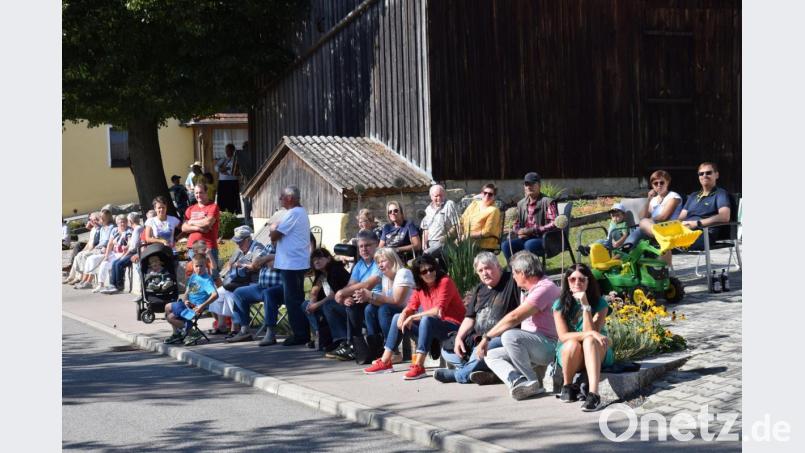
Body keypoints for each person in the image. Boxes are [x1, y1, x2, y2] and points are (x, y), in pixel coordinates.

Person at [363, 254, 465, 380]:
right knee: (396, 317)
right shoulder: (420, 288)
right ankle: (385, 361)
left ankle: (418, 366)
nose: (429, 273)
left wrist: (412, 317)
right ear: (419, 275)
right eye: (424, 271)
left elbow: (437, 311)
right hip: (431, 327)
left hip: (453, 327)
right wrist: (404, 314)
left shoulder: (445, 281)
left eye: (431, 269)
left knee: (427, 319)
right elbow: (410, 306)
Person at [481, 251, 561, 400]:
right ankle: (518, 381)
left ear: (523, 273)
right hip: (534, 346)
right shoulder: (529, 289)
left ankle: (531, 381)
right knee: (491, 355)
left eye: (514, 273)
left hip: (550, 346)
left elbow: (515, 317)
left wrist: (487, 337)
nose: (513, 276)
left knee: (509, 335)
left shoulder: (545, 288)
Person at [434, 251, 519, 384]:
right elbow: (470, 317)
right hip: (476, 338)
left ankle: (459, 375)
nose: (485, 273)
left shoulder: (512, 282)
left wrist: (486, 339)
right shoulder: (480, 289)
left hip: (498, 338)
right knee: (447, 350)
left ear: (498, 266)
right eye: (480, 270)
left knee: (485, 349)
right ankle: (483, 371)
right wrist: (459, 338)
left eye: (488, 268)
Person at [552, 263, 614, 412]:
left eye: (581, 279)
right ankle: (568, 387)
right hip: (572, 354)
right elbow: (563, 336)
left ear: (589, 281)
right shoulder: (559, 305)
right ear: (567, 282)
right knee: (572, 343)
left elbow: (592, 333)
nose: (577, 283)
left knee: (589, 340)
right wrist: (591, 333)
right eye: (572, 279)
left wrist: (585, 305)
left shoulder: (600, 304)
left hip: (597, 351)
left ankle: (594, 395)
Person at [326, 231, 383, 360]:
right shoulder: (359, 265)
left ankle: (358, 345)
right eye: (361, 246)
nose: (364, 249)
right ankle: (346, 343)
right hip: (361, 299)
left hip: (378, 299)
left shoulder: (380, 261)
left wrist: (342, 293)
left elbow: (369, 284)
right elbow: (350, 285)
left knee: (359, 307)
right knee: (331, 305)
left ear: (377, 245)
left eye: (368, 245)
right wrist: (346, 297)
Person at [221, 226, 279, 345]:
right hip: (262, 286)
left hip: (277, 287)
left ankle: (271, 333)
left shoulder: (282, 249)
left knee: (269, 294)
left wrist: (266, 259)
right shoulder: (268, 247)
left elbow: (271, 265)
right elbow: (256, 264)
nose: (269, 236)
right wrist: (265, 260)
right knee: (238, 293)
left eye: (271, 234)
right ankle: (244, 330)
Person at [269, 185, 311, 346]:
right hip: (294, 263)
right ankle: (301, 332)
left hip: (292, 264)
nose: (280, 199)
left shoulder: (293, 213)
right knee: (295, 299)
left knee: (293, 301)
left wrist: (273, 227)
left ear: (289, 198)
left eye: (282, 197)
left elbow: (274, 235)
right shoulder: (298, 213)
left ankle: (300, 334)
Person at [354, 247, 414, 355]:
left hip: (410, 310)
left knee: (384, 309)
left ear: (392, 260)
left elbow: (397, 300)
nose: (380, 265)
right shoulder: (386, 278)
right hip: (396, 308)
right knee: (369, 309)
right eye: (378, 262)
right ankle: (376, 348)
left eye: (383, 261)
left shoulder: (403, 273)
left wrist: (371, 294)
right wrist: (367, 298)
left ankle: (393, 351)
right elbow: (384, 300)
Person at [622, 170, 683, 262]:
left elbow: (663, 217)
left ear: (668, 182)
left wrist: (648, 220)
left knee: (641, 228)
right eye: (655, 183)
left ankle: (622, 256)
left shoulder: (673, 196)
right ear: (652, 186)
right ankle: (625, 257)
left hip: (669, 229)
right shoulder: (654, 200)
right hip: (655, 230)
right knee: (640, 229)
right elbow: (642, 216)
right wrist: (649, 199)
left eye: (662, 182)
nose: (659, 185)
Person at [163, 254, 219, 346]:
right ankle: (177, 333)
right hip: (188, 305)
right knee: (168, 311)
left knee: (170, 313)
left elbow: (215, 295)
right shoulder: (193, 277)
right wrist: (185, 300)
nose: (199, 268)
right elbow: (187, 292)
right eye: (196, 266)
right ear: (193, 266)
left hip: (196, 308)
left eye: (201, 266)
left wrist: (202, 306)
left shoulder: (206, 280)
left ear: (206, 265)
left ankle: (191, 331)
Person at [502, 172, 558, 262]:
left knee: (529, 244)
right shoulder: (521, 204)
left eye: (532, 184)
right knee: (506, 245)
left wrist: (534, 229)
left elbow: (554, 223)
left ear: (539, 185)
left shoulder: (548, 202)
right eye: (526, 184)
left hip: (545, 238)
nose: (529, 187)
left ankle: (533, 271)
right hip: (526, 237)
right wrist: (518, 231)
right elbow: (516, 223)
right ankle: (515, 271)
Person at [303, 248, 351, 351]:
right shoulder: (321, 274)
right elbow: (314, 292)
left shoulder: (335, 270)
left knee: (328, 305)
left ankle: (341, 339)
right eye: (314, 259)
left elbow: (334, 295)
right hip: (330, 304)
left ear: (329, 258)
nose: (316, 261)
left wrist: (316, 305)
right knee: (305, 305)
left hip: (345, 303)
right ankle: (319, 335)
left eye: (320, 258)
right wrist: (311, 303)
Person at [677, 162, 731, 250]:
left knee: (669, 243)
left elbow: (724, 216)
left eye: (708, 173)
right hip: (685, 231)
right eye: (701, 174)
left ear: (716, 175)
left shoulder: (720, 194)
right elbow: (681, 218)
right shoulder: (693, 196)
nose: (704, 175)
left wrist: (697, 223)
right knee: (656, 237)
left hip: (704, 234)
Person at [182, 183, 221, 278]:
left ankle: (218, 293)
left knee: (213, 275)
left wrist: (191, 222)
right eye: (196, 193)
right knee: (195, 277)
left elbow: (208, 222)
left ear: (206, 193)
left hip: (208, 247)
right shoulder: (190, 209)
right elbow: (183, 227)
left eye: (201, 192)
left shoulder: (213, 207)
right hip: (192, 247)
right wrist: (198, 228)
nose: (198, 195)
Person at [73, 209, 116, 289]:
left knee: (89, 258)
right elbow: (94, 228)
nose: (101, 219)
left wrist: (103, 248)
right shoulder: (103, 228)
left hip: (105, 249)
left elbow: (109, 241)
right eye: (101, 217)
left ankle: (88, 281)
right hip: (98, 248)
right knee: (83, 256)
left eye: (103, 218)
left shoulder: (112, 227)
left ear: (107, 218)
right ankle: (84, 280)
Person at [93, 214, 132, 293]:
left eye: (124, 222)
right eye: (120, 222)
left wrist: (126, 246)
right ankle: (101, 285)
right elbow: (110, 244)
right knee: (104, 263)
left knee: (115, 263)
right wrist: (106, 255)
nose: (122, 224)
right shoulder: (114, 230)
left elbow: (130, 243)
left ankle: (114, 286)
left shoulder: (129, 230)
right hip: (114, 253)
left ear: (127, 222)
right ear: (117, 223)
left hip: (123, 253)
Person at [460, 183, 502, 251]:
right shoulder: (474, 204)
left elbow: (487, 232)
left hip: (483, 244)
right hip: (466, 242)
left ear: (494, 196)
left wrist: (468, 235)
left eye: (490, 194)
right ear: (482, 193)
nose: (487, 196)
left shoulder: (494, 210)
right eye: (485, 193)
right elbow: (462, 220)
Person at [420, 184, 459, 257]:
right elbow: (425, 229)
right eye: (436, 196)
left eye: (441, 195)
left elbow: (456, 225)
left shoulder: (449, 205)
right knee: (427, 256)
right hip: (431, 243)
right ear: (431, 197)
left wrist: (445, 237)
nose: (439, 198)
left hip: (445, 242)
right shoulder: (428, 209)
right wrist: (424, 244)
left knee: (426, 255)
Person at [64, 212, 101, 285]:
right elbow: (89, 242)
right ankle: (71, 277)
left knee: (82, 256)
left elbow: (94, 243)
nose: (90, 221)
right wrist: (84, 250)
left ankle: (79, 278)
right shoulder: (93, 229)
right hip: (89, 248)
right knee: (78, 256)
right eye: (90, 220)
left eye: (92, 220)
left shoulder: (99, 229)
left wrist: (87, 250)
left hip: (94, 249)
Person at [215, 143, 241, 213]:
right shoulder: (223, 159)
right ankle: (223, 213)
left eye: (229, 150)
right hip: (223, 182)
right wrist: (221, 169)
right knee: (223, 200)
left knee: (232, 199)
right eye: (226, 150)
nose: (227, 152)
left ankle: (233, 212)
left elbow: (237, 170)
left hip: (232, 181)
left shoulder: (236, 159)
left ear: (233, 150)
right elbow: (216, 168)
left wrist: (226, 169)